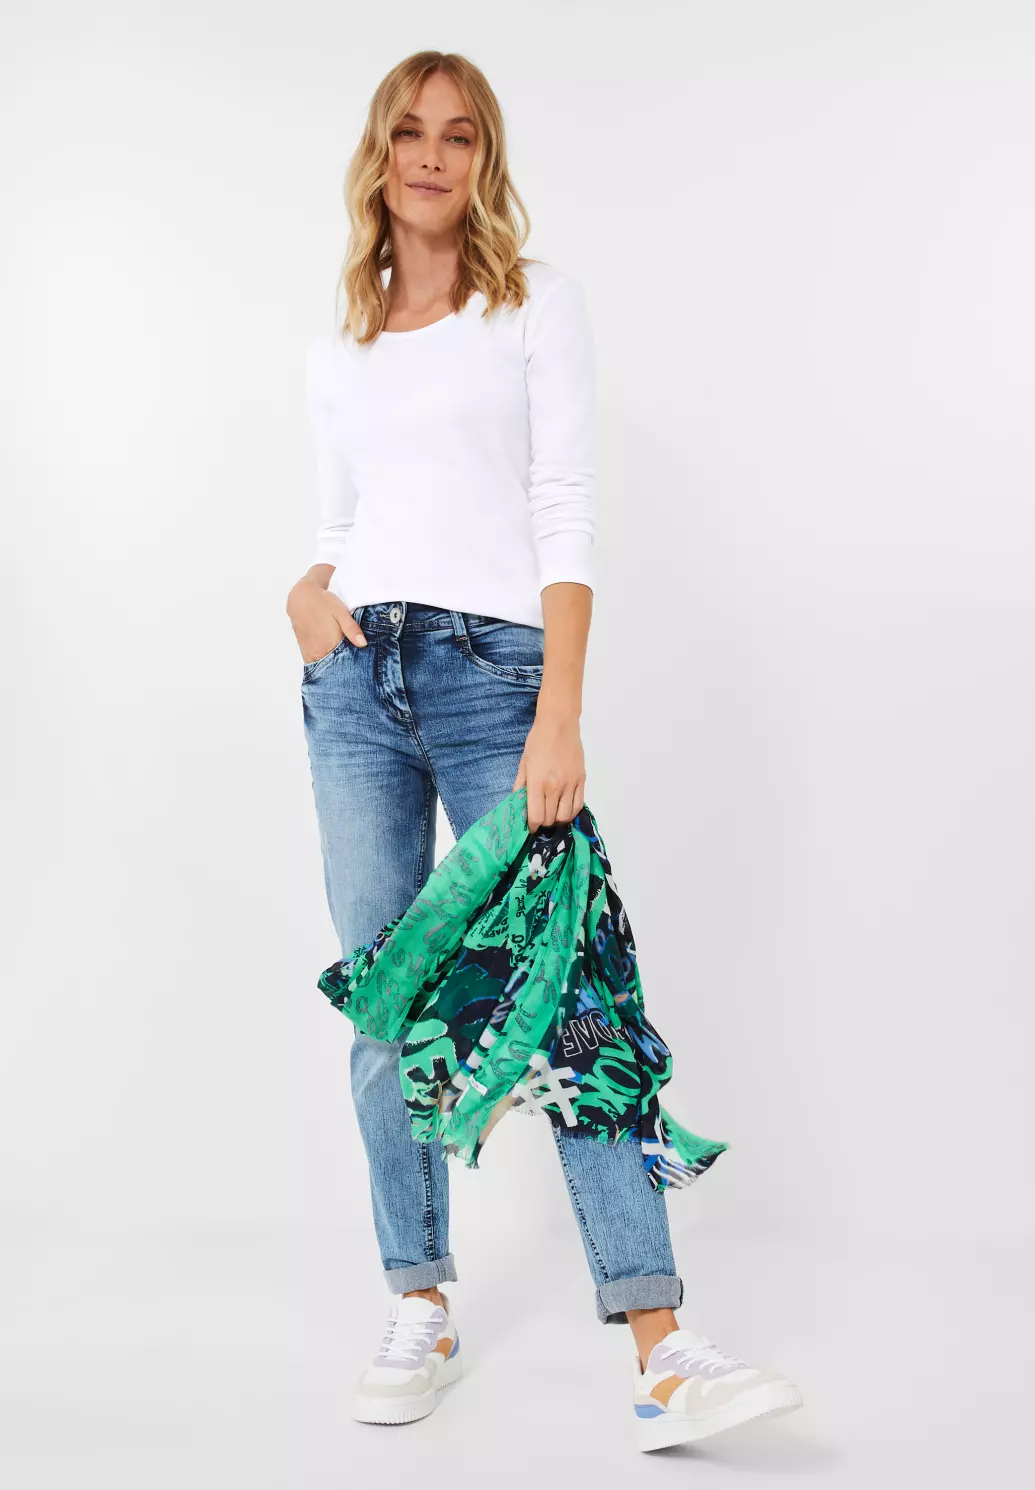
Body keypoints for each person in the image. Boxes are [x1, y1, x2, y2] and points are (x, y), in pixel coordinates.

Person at [287, 49, 802, 1452]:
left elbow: (563, 506)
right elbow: (343, 520)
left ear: (484, 160)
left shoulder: (532, 307)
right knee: (388, 999)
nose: (431, 155)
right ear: (380, 152)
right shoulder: (340, 343)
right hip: (354, 684)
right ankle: (419, 1300)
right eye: (410, 132)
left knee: (571, 995)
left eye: (458, 135)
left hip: (495, 681)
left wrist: (558, 709)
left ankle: (660, 1347)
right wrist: (304, 594)